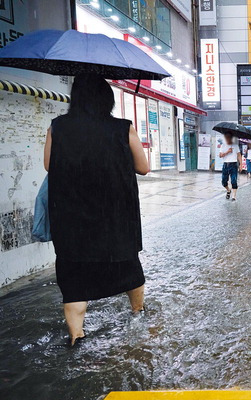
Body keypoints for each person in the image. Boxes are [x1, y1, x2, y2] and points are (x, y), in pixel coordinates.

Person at [44, 74, 150, 346]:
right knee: (128, 267)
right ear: (108, 99)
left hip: (71, 218)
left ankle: (76, 335)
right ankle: (139, 312)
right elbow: (143, 168)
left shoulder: (57, 127)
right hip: (115, 216)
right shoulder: (123, 128)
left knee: (74, 278)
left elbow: (49, 166)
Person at [219, 133, 242, 200]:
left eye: (229, 137)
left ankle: (234, 196)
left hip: (233, 164)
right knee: (224, 181)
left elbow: (239, 155)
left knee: (234, 181)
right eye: (226, 137)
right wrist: (227, 152)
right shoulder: (223, 145)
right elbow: (220, 155)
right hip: (225, 165)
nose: (227, 138)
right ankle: (228, 190)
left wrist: (241, 164)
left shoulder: (235, 145)